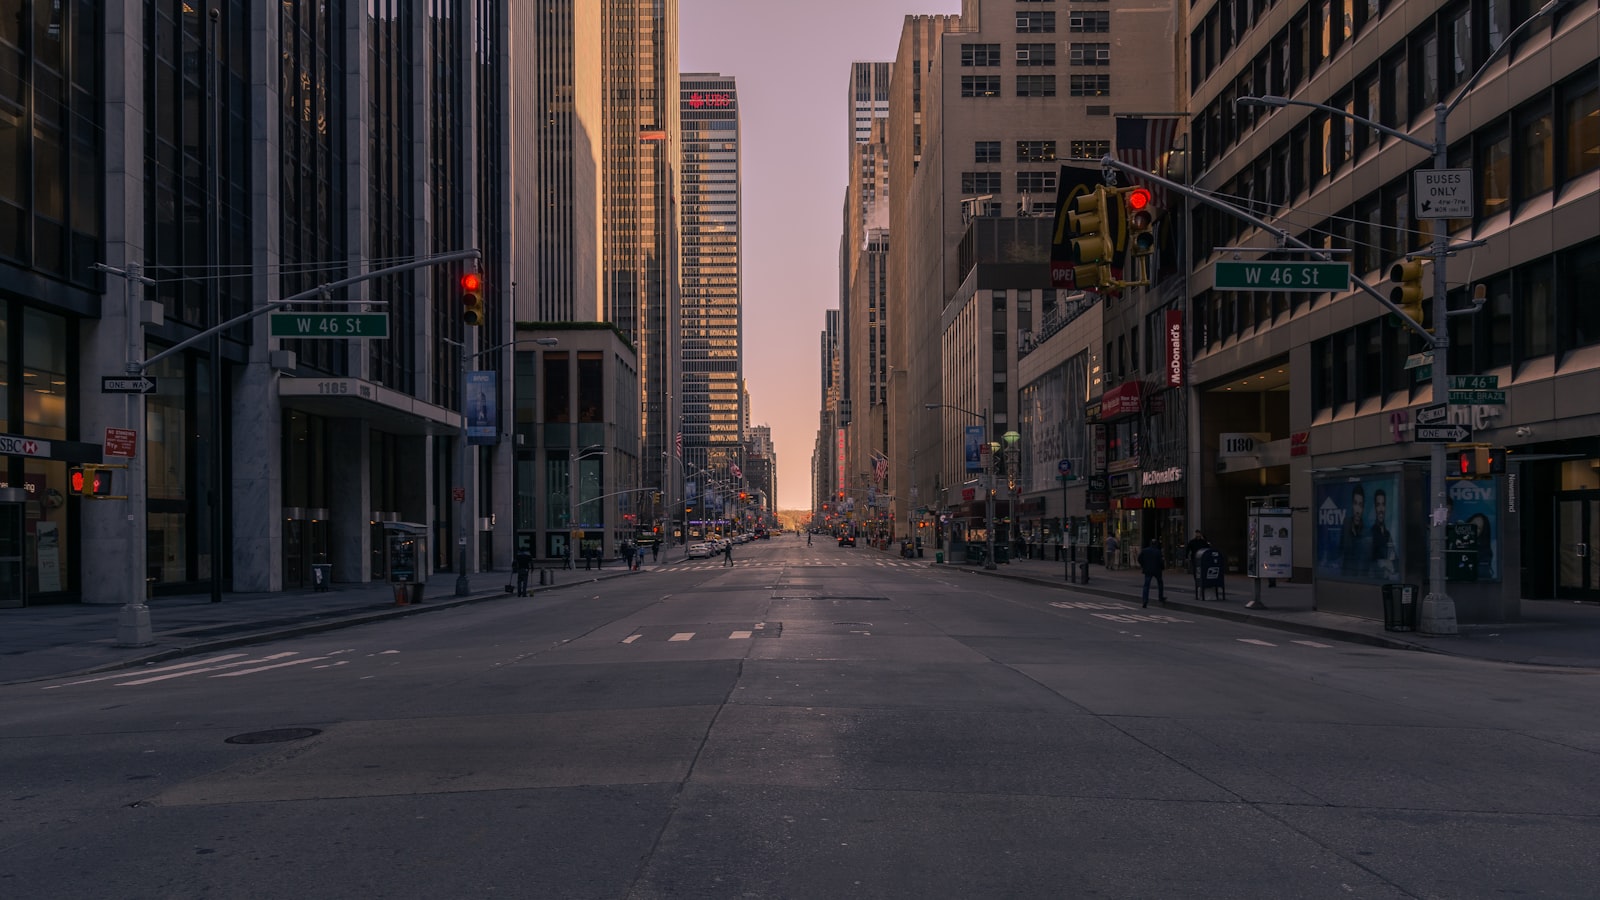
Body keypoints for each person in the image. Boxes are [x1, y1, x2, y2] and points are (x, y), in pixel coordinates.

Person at [1339, 485, 1366, 578]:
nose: (1357, 510)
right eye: (1355, 503)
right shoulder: (1346, 523)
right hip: (1346, 573)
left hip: (1360, 576)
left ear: (1363, 508)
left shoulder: (1366, 529)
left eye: (1361, 505)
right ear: (1352, 505)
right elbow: (1341, 548)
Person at [1370, 489, 1397, 581]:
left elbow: (1395, 559)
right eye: (1378, 505)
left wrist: (1390, 564)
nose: (1381, 509)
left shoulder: (1387, 534)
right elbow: (1370, 562)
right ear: (1375, 508)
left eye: (1383, 505)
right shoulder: (1372, 533)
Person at [1139, 538, 1166, 608]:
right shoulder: (1158, 551)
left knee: (1146, 585)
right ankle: (1160, 597)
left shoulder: (1145, 550)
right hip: (1157, 570)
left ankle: (1145, 600)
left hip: (1148, 569)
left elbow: (1139, 558)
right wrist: (1162, 567)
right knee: (1160, 583)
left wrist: (1143, 565)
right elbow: (1161, 561)